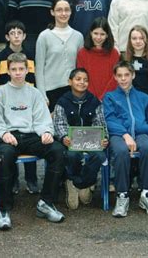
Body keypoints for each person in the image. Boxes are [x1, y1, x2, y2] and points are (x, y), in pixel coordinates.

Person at [0, 52, 65, 230]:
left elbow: (42, 119)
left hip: (30, 135)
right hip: (7, 136)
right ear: (8, 71)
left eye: (21, 69)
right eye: (14, 69)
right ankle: (4, 209)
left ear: (27, 70)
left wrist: (45, 132)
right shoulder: (0, 94)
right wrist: (3, 133)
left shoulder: (34, 94)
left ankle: (46, 202)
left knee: (57, 150)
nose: (18, 73)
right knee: (4, 156)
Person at [103, 60, 148, 218]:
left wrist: (139, 129)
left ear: (133, 75)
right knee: (121, 151)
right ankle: (122, 195)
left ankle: (147, 193)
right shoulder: (110, 97)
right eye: (119, 75)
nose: (123, 79)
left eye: (127, 75)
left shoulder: (144, 98)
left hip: (141, 134)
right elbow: (109, 120)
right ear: (114, 77)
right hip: (118, 135)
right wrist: (126, 134)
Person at [0, 20, 38, 195]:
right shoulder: (0, 57)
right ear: (7, 36)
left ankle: (32, 179)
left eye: (19, 33)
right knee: (12, 141)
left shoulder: (31, 55)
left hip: (28, 105)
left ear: (24, 36)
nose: (16, 36)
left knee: (30, 135)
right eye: (12, 33)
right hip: (7, 107)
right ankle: (14, 179)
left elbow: (35, 80)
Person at [53, 68, 108, 209]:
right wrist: (64, 137)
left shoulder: (95, 101)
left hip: (91, 143)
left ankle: (81, 183)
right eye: (78, 79)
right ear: (70, 82)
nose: (82, 82)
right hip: (71, 143)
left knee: (99, 155)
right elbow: (59, 124)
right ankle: (74, 182)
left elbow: (101, 123)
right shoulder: (62, 101)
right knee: (72, 155)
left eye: (85, 80)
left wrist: (104, 138)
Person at [35, 0, 84, 112]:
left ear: (71, 12)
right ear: (52, 12)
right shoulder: (44, 36)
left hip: (72, 90)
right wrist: (42, 94)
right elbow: (39, 69)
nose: (63, 13)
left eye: (67, 10)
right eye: (59, 10)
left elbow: (80, 67)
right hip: (50, 91)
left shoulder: (78, 36)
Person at [76, 17, 120, 100]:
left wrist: (104, 97)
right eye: (95, 33)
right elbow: (82, 77)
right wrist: (93, 98)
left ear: (107, 35)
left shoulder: (114, 53)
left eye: (102, 34)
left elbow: (115, 77)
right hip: (88, 98)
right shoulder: (82, 53)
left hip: (110, 98)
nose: (98, 37)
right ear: (90, 33)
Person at [123, 25, 148, 100]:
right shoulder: (124, 58)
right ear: (130, 40)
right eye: (134, 38)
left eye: (141, 38)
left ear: (147, 40)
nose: (138, 41)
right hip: (129, 99)